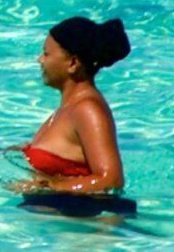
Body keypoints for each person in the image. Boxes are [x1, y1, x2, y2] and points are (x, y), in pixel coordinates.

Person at [19, 15, 130, 196]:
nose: (40, 60)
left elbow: (111, 180)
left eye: (46, 54)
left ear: (72, 63)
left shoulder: (87, 110)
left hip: (77, 213)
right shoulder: (68, 108)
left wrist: (47, 187)